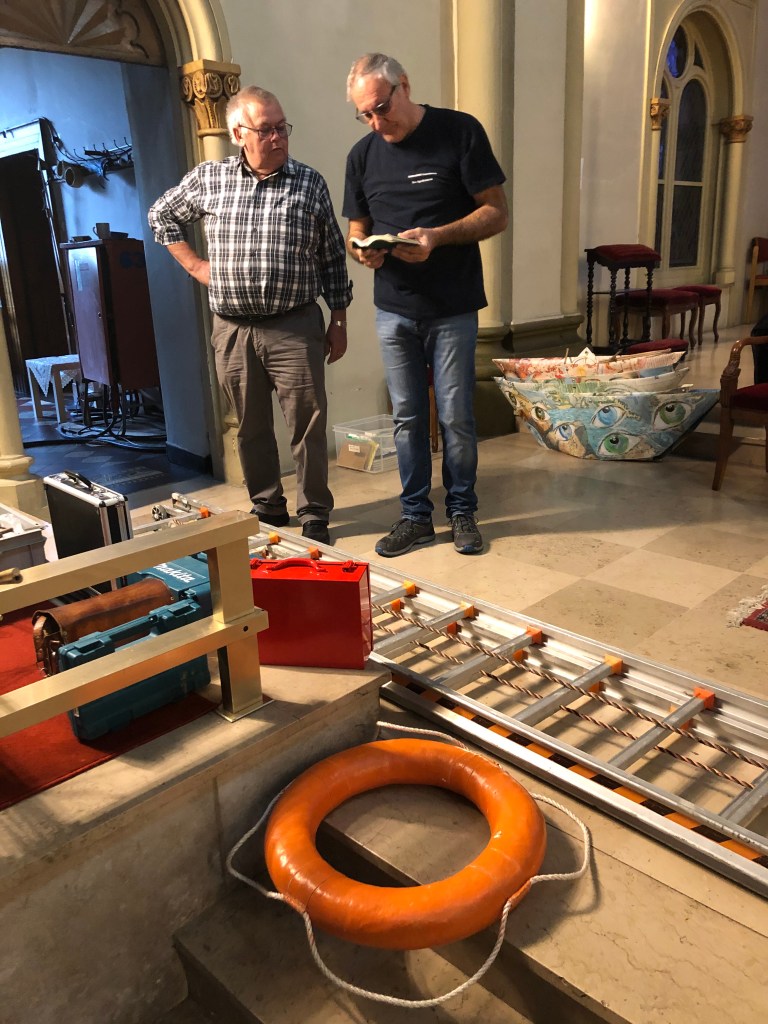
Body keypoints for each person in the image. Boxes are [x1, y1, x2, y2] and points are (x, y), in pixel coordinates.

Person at [148, 86, 352, 546]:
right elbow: (161, 215)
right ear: (238, 133)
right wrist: (195, 265)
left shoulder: (309, 183)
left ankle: (314, 511)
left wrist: (338, 320)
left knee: (308, 424)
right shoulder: (210, 179)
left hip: (295, 325)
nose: (278, 137)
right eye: (266, 130)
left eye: (283, 128)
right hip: (234, 330)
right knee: (250, 425)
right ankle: (267, 504)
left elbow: (332, 257)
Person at [343, 53, 508, 557]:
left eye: (381, 107)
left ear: (404, 86)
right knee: (407, 417)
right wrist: (361, 251)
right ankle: (415, 516)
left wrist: (436, 237)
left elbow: (496, 212)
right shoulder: (361, 155)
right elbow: (356, 229)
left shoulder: (459, 131)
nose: (377, 122)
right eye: (365, 115)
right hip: (393, 308)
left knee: (455, 415)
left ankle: (462, 512)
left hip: (453, 304)